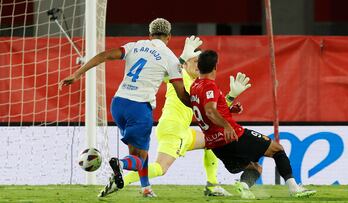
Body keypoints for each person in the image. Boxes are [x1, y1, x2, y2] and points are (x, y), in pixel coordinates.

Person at [59, 18, 202, 197]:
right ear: (169, 37)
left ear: (150, 35)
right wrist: (200, 105)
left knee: (140, 149)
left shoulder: (134, 46)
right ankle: (120, 164)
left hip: (118, 104)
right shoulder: (170, 57)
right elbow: (182, 95)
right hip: (139, 108)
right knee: (139, 159)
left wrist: (77, 74)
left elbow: (104, 56)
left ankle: (146, 188)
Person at [189, 50, 317, 199]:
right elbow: (210, 111)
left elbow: (205, 110)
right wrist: (227, 126)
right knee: (277, 150)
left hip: (216, 146)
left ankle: (243, 186)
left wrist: (228, 108)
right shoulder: (209, 86)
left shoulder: (195, 86)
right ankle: (295, 189)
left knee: (255, 167)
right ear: (215, 67)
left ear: (199, 67)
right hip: (232, 136)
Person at [121, 52, 251, 196]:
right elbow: (167, 70)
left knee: (211, 141)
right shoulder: (181, 76)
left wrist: (230, 99)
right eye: (194, 61)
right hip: (174, 129)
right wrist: (182, 56)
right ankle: (121, 180)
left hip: (182, 129)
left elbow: (210, 111)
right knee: (160, 169)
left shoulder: (198, 85)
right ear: (185, 65)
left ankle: (212, 185)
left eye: (199, 62)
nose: (198, 64)